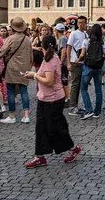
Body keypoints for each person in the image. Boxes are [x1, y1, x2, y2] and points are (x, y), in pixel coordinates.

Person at [24, 35, 81, 168]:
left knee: (56, 128)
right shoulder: (51, 57)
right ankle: (40, 156)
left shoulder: (50, 60)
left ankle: (73, 148)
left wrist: (34, 75)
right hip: (45, 98)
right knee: (41, 127)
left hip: (53, 100)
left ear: (41, 46)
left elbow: (49, 82)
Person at [0, 16, 33, 124]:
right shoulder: (27, 40)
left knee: (10, 91)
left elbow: (1, 52)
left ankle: (12, 116)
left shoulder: (11, 38)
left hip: (12, 68)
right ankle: (26, 115)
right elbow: (31, 57)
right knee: (24, 91)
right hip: (24, 68)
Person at [79, 23, 105, 119]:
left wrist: (78, 60)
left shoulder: (86, 41)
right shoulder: (102, 43)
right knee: (98, 90)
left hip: (88, 67)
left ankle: (88, 109)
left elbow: (82, 54)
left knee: (84, 88)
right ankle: (97, 112)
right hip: (98, 67)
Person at [66, 15, 88, 116]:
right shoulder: (74, 33)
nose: (80, 24)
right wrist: (69, 62)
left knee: (80, 85)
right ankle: (72, 106)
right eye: (79, 22)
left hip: (83, 63)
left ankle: (76, 105)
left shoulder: (86, 34)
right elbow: (69, 47)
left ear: (85, 23)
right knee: (75, 84)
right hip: (75, 62)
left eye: (82, 22)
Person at [54, 23, 69, 105]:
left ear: (57, 31)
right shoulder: (62, 38)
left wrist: (60, 62)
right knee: (63, 80)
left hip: (64, 63)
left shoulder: (63, 38)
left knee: (64, 80)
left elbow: (64, 51)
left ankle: (67, 98)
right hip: (64, 63)